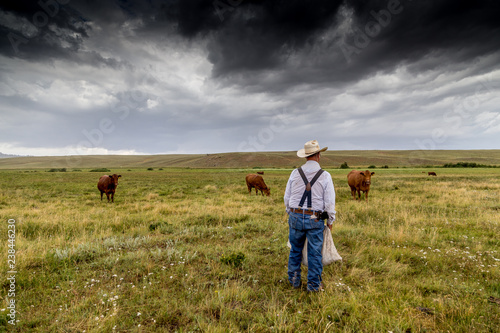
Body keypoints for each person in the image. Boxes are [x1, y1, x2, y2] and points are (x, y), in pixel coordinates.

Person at [284, 140, 336, 292]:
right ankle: (313, 286)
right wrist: (330, 220)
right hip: (316, 218)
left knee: (295, 250)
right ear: (318, 155)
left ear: (306, 156)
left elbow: (287, 198)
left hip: (295, 215)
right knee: (314, 253)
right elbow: (329, 203)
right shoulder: (325, 176)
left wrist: (292, 213)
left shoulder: (295, 173)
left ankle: (294, 281)